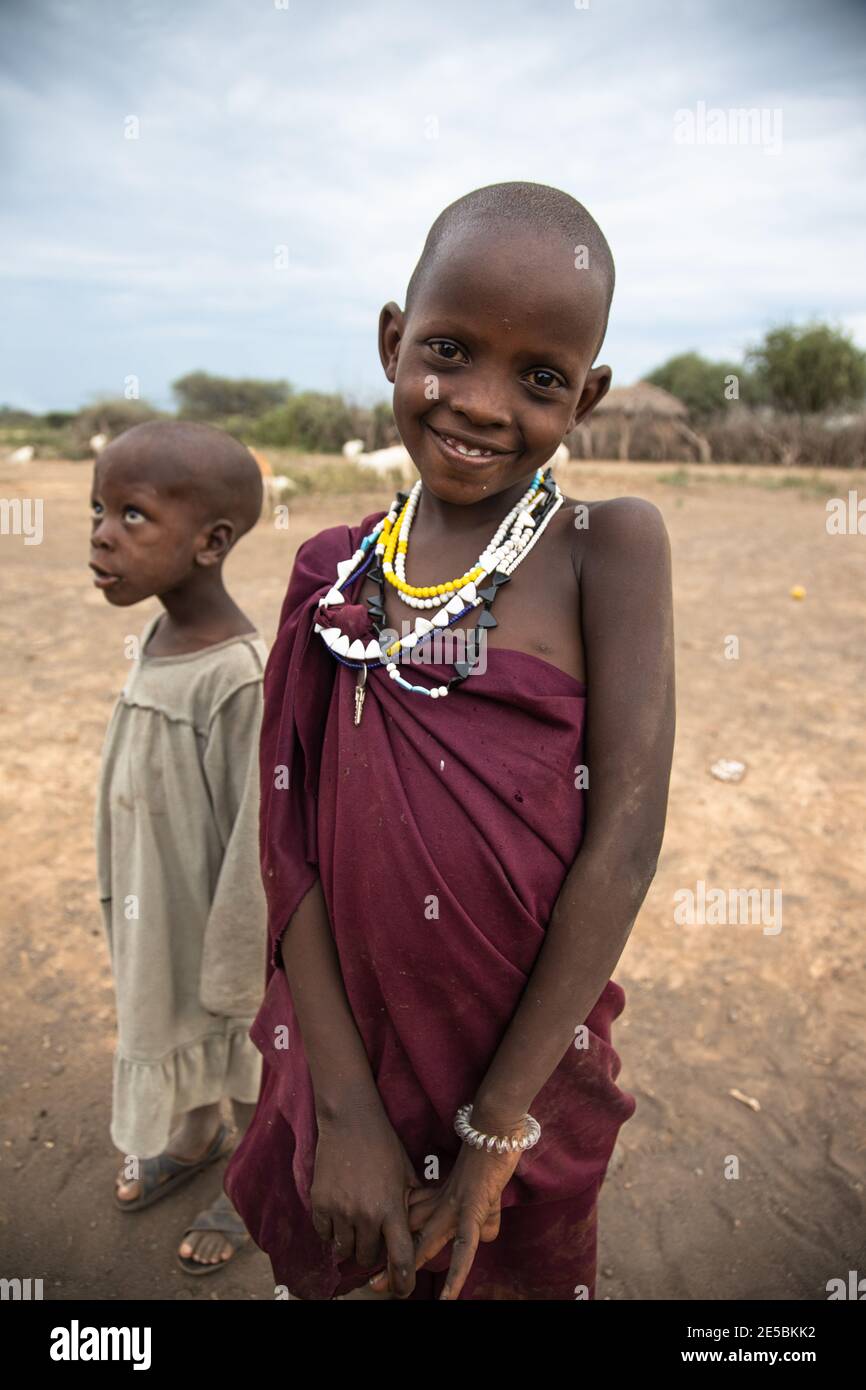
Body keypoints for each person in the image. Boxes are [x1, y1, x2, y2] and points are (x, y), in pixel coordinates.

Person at [224, 181, 676, 1300]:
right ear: (390, 342)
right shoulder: (332, 571)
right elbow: (291, 849)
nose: (479, 402)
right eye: (447, 350)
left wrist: (492, 1129)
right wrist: (343, 1110)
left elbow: (622, 842)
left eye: (537, 377)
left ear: (588, 395)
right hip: (347, 1056)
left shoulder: (602, 549)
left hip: (519, 1064)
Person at [91, 420, 269, 1274]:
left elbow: (254, 839)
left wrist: (238, 960)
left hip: (216, 912)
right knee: (168, 1013)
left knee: (237, 1039)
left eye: (131, 516)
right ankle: (198, 1139)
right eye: (98, 510)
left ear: (212, 543)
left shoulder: (239, 674)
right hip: (156, 894)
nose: (98, 534)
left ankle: (255, 1183)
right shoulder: (161, 634)